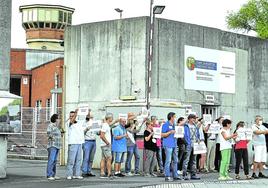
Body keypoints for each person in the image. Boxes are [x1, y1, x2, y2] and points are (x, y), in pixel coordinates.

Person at [161, 112, 180, 182]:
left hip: (174, 144)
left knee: (175, 160)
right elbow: (162, 135)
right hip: (168, 144)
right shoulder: (165, 125)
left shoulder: (174, 125)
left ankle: (175, 175)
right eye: (174, 117)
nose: (175, 118)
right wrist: (170, 132)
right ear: (171, 117)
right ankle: (167, 175)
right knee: (168, 160)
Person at [66, 110, 84, 180]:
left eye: (72, 116)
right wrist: (76, 114)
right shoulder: (69, 123)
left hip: (79, 143)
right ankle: (69, 174)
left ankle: (77, 174)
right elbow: (72, 121)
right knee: (71, 160)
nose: (71, 117)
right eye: (70, 116)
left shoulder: (79, 123)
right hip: (72, 143)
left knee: (78, 160)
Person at [182, 114, 200, 180]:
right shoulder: (186, 126)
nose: (194, 120)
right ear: (189, 119)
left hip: (195, 144)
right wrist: (186, 142)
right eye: (192, 118)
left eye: (194, 119)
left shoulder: (195, 126)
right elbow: (183, 135)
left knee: (194, 160)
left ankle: (193, 174)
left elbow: (197, 134)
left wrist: (198, 139)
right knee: (186, 159)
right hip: (189, 144)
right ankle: (184, 174)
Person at [46, 114, 62, 180]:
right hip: (52, 145)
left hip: (57, 145)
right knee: (51, 160)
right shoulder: (51, 125)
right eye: (58, 118)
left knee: (55, 161)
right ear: (55, 119)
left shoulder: (57, 127)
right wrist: (52, 137)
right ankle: (49, 175)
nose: (59, 120)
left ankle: (53, 174)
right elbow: (48, 133)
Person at [82, 111, 96, 177]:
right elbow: (82, 132)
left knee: (91, 158)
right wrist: (87, 128)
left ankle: (89, 171)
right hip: (87, 141)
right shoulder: (84, 123)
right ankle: (84, 171)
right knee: (86, 157)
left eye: (92, 117)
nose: (91, 118)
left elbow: (97, 132)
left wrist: (98, 130)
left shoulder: (94, 123)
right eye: (90, 117)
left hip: (93, 141)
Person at [100, 113, 114, 179]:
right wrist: (107, 142)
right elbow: (102, 135)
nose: (112, 118)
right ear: (109, 118)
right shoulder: (105, 125)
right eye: (112, 117)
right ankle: (109, 173)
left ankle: (102, 172)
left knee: (103, 158)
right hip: (106, 145)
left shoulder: (106, 125)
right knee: (109, 158)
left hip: (104, 145)